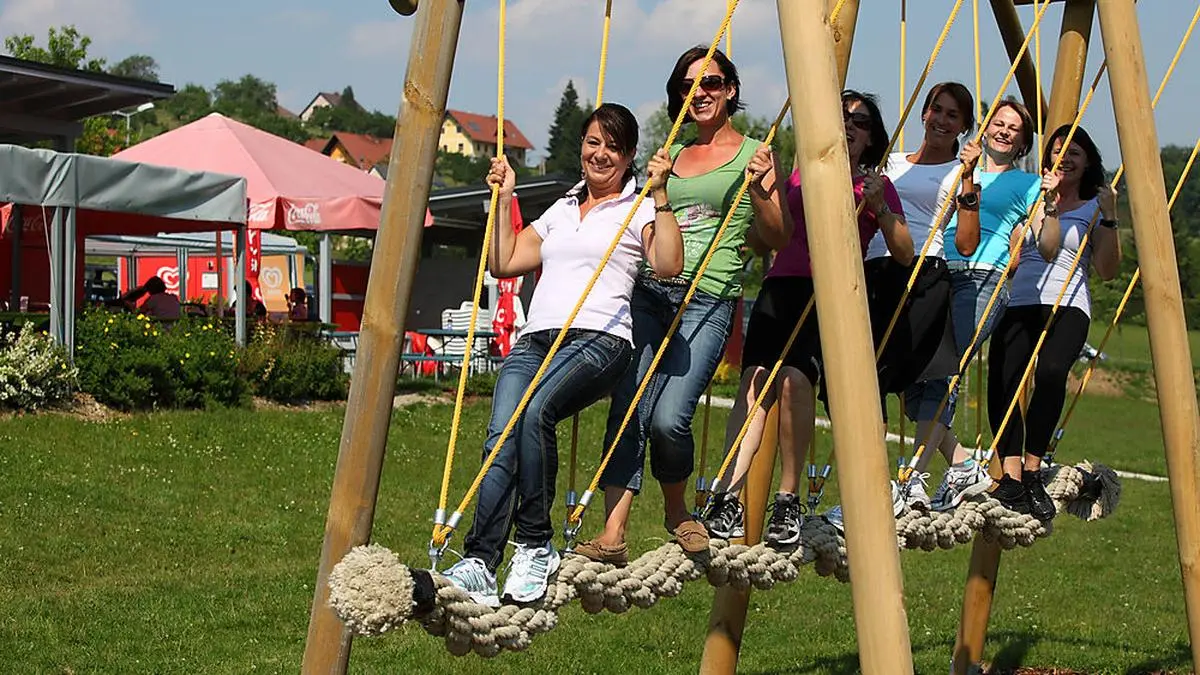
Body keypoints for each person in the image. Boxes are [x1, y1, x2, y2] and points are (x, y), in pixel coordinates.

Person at [441, 103, 684, 606]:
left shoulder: (637, 207)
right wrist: (504, 198)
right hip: (537, 339)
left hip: (600, 340)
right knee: (500, 434)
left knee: (535, 411)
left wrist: (660, 195)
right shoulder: (561, 208)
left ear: (629, 156)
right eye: (593, 142)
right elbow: (504, 260)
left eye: (613, 147)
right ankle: (482, 561)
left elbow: (668, 265)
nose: (601, 154)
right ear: (581, 147)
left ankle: (535, 545)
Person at [574, 47, 793, 565]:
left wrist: (761, 190)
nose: (700, 93)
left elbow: (778, 235)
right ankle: (613, 532)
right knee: (629, 406)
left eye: (711, 82)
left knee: (670, 418)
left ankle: (676, 512)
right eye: (688, 85)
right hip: (651, 292)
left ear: (730, 90)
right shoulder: (669, 151)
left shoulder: (756, 153)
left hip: (708, 296)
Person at [703, 90, 914, 545]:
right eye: (841, 117)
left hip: (830, 295)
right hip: (782, 285)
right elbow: (764, 239)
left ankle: (787, 498)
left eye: (860, 121)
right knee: (755, 382)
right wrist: (763, 194)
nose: (849, 125)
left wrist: (880, 206)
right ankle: (727, 495)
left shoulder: (873, 186)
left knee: (796, 383)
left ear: (871, 138)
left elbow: (904, 251)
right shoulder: (798, 178)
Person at [864, 82, 992, 512]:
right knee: (880, 378)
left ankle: (911, 478)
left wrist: (969, 176)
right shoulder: (891, 162)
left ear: (964, 127)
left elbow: (968, 243)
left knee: (927, 376)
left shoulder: (961, 173)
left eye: (953, 115)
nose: (941, 120)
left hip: (925, 270)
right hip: (877, 268)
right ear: (923, 113)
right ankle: (959, 463)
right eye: (937, 109)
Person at [915, 97, 1042, 511]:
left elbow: (1043, 237)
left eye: (1014, 129)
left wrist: (1049, 212)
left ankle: (912, 477)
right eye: (998, 123)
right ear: (984, 129)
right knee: (910, 371)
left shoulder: (1029, 184)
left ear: (1022, 142)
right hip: (938, 270)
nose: (1004, 131)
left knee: (944, 371)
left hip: (984, 277)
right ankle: (962, 465)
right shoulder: (956, 168)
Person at [988, 125, 1121, 520]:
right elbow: (1014, 256)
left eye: (1074, 152)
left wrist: (1110, 217)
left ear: (1088, 162)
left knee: (1050, 373)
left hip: (1068, 304)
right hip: (1021, 300)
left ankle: (1033, 469)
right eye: (1058, 151)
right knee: (1004, 379)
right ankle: (1011, 476)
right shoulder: (1032, 198)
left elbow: (1108, 270)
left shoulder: (1092, 208)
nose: (1065, 159)